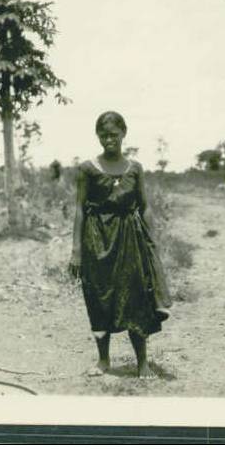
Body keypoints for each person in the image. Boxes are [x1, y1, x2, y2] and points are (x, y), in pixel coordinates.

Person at [68, 111, 171, 378]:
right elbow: (79, 209)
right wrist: (76, 251)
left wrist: (152, 241)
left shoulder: (135, 169)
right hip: (96, 238)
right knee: (98, 296)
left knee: (136, 295)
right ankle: (103, 361)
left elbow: (145, 207)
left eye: (114, 134)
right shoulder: (87, 170)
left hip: (129, 238)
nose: (109, 139)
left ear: (124, 134)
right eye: (104, 135)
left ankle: (142, 362)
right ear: (97, 136)